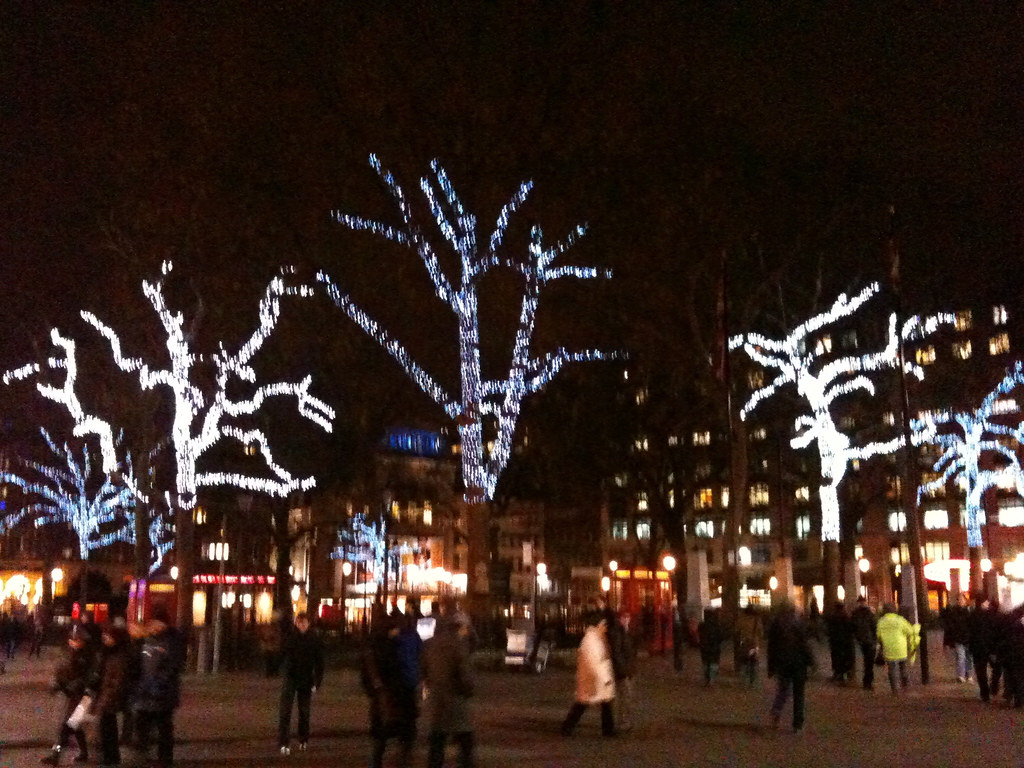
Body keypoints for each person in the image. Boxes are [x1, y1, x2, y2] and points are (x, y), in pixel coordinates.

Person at [360, 605, 420, 768]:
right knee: (405, 740)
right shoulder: (401, 641)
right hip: (401, 698)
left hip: (381, 700)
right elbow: (410, 667)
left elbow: (366, 676)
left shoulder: (372, 645)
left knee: (379, 743)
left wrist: (374, 692)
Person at [421, 609, 475, 768]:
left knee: (437, 739)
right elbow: (464, 673)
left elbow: (423, 669)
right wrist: (468, 689)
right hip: (455, 697)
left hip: (437, 697)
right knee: (465, 739)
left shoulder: (431, 644)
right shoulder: (458, 645)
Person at [132, 606, 185, 768]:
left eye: (157, 623)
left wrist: (159, 683)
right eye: (152, 623)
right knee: (142, 724)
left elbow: (173, 666)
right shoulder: (147, 640)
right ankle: (144, 755)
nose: (154, 627)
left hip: (163, 693)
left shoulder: (172, 641)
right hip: (145, 692)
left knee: (164, 728)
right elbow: (139, 663)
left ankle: (164, 759)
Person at [41, 626, 98, 765]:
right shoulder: (67, 653)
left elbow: (90, 677)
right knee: (75, 727)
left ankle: (56, 755)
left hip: (83, 697)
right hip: (70, 695)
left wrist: (77, 684)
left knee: (66, 728)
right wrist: (56, 684)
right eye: (72, 639)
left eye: (77, 640)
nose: (74, 642)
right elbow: (59, 671)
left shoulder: (88, 656)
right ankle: (83, 752)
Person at [561, 610, 616, 737]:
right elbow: (594, 662)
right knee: (583, 704)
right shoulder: (591, 640)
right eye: (603, 624)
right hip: (593, 679)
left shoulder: (596, 638)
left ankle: (608, 730)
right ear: (597, 625)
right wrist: (605, 678)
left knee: (603, 703)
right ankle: (567, 727)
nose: (605, 627)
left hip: (596, 679)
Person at [278, 612, 324, 755]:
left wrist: (317, 681)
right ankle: (284, 742)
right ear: (296, 623)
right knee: (285, 711)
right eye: (299, 623)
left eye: (304, 623)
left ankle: (303, 739)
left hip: (305, 678)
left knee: (304, 712)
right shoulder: (291, 637)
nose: (302, 625)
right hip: (291, 677)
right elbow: (283, 654)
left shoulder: (313, 639)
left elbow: (319, 662)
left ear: (308, 624)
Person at [766, 601, 814, 734]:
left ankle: (776, 710)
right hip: (798, 663)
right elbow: (805, 645)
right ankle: (797, 724)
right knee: (799, 694)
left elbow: (771, 647)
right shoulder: (799, 623)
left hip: (782, 662)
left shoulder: (776, 624)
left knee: (783, 689)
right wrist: (811, 662)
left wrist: (771, 666)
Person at [93, 624, 132, 767]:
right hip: (104, 695)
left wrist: (107, 697)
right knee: (106, 728)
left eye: (108, 636)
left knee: (109, 729)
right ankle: (109, 757)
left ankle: (111, 758)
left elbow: (118, 681)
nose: (105, 638)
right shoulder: (106, 653)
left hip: (110, 698)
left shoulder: (119, 657)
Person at [876, 603, 918, 695]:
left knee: (892, 670)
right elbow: (910, 631)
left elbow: (878, 635)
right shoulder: (900, 620)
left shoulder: (881, 621)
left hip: (888, 649)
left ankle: (894, 689)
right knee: (903, 668)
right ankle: (905, 685)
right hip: (900, 648)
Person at [969, 596, 1001, 702]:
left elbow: (969, 632)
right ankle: (993, 686)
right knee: (997, 667)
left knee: (980, 671)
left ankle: (984, 693)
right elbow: (995, 632)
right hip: (990, 647)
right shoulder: (991, 615)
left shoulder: (972, 615)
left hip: (977, 648)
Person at [941, 592, 972, 683]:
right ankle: (961, 675)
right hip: (958, 638)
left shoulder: (969, 611)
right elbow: (949, 627)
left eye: (962, 599)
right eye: (959, 599)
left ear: (965, 600)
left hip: (968, 638)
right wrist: (948, 641)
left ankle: (968, 674)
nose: (961, 601)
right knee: (961, 656)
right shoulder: (953, 612)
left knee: (968, 657)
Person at [850, 596, 878, 690]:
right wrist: (875, 639)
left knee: (867, 661)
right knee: (869, 662)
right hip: (869, 640)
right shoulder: (870, 613)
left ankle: (867, 681)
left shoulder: (855, 613)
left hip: (861, 640)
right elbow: (874, 626)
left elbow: (853, 627)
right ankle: (868, 682)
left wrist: (856, 637)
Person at [824, 602, 855, 684]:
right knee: (844, 658)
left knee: (836, 658)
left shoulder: (832, 616)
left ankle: (837, 674)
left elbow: (828, 629)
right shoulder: (846, 616)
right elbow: (850, 629)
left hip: (835, 641)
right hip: (845, 641)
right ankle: (844, 676)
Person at [735, 605, 764, 686]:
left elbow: (736, 630)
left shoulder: (741, 619)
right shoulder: (757, 620)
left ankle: (744, 680)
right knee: (753, 662)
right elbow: (761, 632)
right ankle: (752, 680)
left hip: (744, 642)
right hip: (754, 643)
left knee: (744, 661)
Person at [698, 608, 725, 686]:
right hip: (715, 646)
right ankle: (712, 679)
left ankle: (706, 678)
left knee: (705, 662)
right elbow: (721, 636)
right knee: (714, 662)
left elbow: (700, 634)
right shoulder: (717, 625)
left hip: (704, 646)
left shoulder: (702, 625)